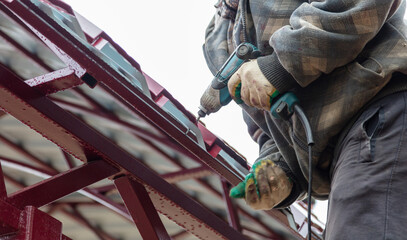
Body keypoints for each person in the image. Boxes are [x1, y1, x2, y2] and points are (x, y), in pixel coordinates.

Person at [202, 0, 407, 238]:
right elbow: (263, 114)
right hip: (343, 153)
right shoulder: (218, 32)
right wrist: (280, 167)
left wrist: (281, 65)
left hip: (380, 115)